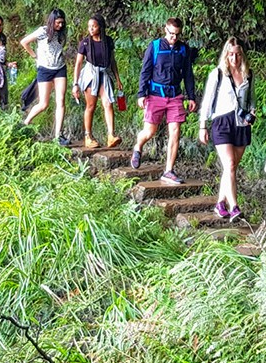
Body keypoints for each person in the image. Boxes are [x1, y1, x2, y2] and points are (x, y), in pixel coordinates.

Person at [130, 17, 197, 185]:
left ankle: (168, 171)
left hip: (175, 96)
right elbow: (145, 71)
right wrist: (141, 94)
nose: (174, 37)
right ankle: (138, 147)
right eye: (171, 34)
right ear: (165, 30)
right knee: (149, 132)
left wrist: (191, 96)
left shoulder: (183, 50)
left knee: (175, 131)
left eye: (177, 34)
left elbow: (188, 74)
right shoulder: (155, 47)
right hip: (155, 95)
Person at [199, 37, 254, 219]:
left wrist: (252, 113)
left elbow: (251, 100)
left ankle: (220, 203)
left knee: (231, 167)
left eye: (237, 54)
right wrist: (202, 126)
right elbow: (207, 100)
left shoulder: (248, 74)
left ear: (242, 55)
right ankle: (235, 207)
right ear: (226, 54)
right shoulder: (218, 73)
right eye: (231, 54)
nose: (234, 58)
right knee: (229, 164)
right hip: (222, 122)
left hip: (241, 124)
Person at [72, 14, 121, 149]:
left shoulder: (108, 41)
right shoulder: (85, 43)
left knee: (108, 103)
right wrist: (75, 83)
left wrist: (117, 79)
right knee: (91, 106)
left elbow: (112, 60)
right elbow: (78, 63)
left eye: (94, 26)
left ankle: (111, 135)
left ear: (100, 26)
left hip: (104, 74)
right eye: (89, 27)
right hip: (91, 75)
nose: (91, 29)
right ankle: (88, 136)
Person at [22, 8, 71, 145]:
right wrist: (34, 56)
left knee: (61, 101)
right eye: (58, 23)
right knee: (43, 103)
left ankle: (57, 135)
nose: (60, 25)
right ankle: (26, 122)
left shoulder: (62, 33)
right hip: (45, 69)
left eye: (62, 23)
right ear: (52, 21)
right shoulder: (42, 31)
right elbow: (24, 42)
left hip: (60, 68)